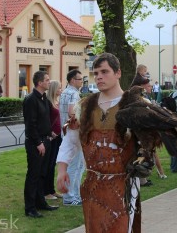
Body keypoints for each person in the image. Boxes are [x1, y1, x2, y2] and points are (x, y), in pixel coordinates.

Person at [56, 53, 142, 232]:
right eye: (96, 73)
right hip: (93, 184)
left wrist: (144, 157)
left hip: (123, 184)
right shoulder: (85, 107)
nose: (99, 76)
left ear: (118, 73)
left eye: (104, 71)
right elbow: (70, 142)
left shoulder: (135, 105)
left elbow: (149, 142)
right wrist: (62, 169)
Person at [23, 71, 59, 218]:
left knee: (42, 174)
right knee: (33, 175)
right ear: (39, 83)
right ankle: (30, 207)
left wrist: (50, 133)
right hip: (35, 143)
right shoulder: (30, 99)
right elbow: (30, 124)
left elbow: (44, 119)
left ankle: (40, 202)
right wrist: (38, 143)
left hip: (46, 140)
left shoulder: (44, 98)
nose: (49, 82)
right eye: (47, 80)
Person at [130, 66, 167, 185]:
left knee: (146, 152)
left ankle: (143, 178)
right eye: (148, 85)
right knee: (146, 152)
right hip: (142, 130)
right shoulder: (140, 99)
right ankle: (146, 177)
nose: (150, 86)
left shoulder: (142, 98)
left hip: (144, 130)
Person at [58, 69, 85, 207]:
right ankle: (70, 197)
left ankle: (74, 194)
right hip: (73, 134)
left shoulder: (64, 92)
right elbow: (72, 112)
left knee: (74, 166)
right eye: (80, 79)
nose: (82, 81)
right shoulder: (74, 93)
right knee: (76, 167)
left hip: (66, 133)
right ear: (73, 80)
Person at [45, 80, 63, 200]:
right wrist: (50, 133)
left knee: (53, 164)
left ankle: (51, 190)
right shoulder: (48, 102)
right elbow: (45, 120)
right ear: (54, 89)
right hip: (50, 137)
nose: (61, 90)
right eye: (59, 88)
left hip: (58, 136)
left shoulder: (57, 101)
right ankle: (46, 192)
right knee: (48, 165)